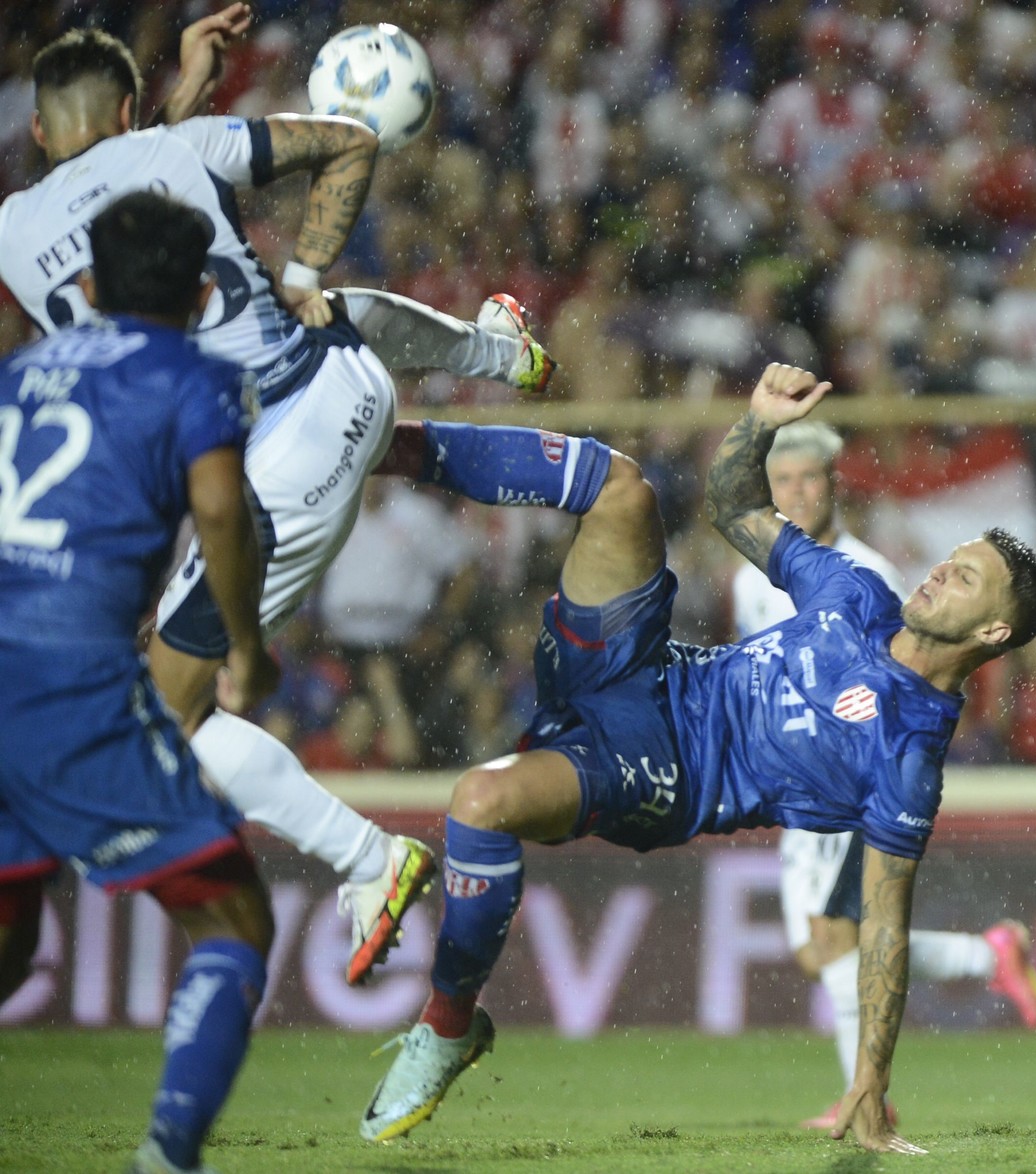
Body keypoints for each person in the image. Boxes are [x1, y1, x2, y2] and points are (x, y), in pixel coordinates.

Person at [359, 364, 1036, 1154]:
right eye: (949, 559)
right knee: (621, 487)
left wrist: (870, 1082)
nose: (938, 571)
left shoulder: (906, 755)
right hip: (645, 669)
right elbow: (733, 506)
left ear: (991, 632)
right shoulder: (856, 592)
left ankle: (447, 1027)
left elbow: (884, 928)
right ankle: (382, 446)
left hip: (668, 772)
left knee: (478, 804)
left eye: (963, 578)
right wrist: (757, 422)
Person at [0, 22, 557, 985]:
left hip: (283, 458)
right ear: (131, 112)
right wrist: (298, 269)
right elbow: (349, 141)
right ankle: (495, 350)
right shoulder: (179, 145)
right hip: (339, 389)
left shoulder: (13, 227)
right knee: (322, 306)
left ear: (40, 134)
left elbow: (112, 193)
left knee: (160, 725)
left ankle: (368, 858)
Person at [0, 190, 277, 1174]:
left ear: (84, 287)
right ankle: (168, 1155)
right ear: (205, 294)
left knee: (6, 939)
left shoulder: (20, 369)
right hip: (69, 673)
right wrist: (242, 647)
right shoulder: (197, 376)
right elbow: (219, 509)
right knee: (233, 916)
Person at [730, 419, 1036, 1129]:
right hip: (786, 778)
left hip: (845, 776)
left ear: (835, 484)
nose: (798, 492)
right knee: (821, 950)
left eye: (810, 478)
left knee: (837, 938)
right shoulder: (754, 574)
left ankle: (865, 1095)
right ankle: (984, 955)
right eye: (782, 482)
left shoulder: (869, 574)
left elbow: (907, 678)